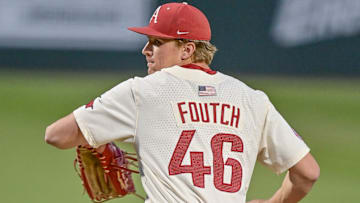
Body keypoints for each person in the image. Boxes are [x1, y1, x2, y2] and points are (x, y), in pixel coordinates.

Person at [45, 2, 319, 203]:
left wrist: (96, 140)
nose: (146, 50)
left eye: (156, 42)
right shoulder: (251, 99)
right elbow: (307, 173)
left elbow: (56, 135)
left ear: (187, 50)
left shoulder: (143, 91)